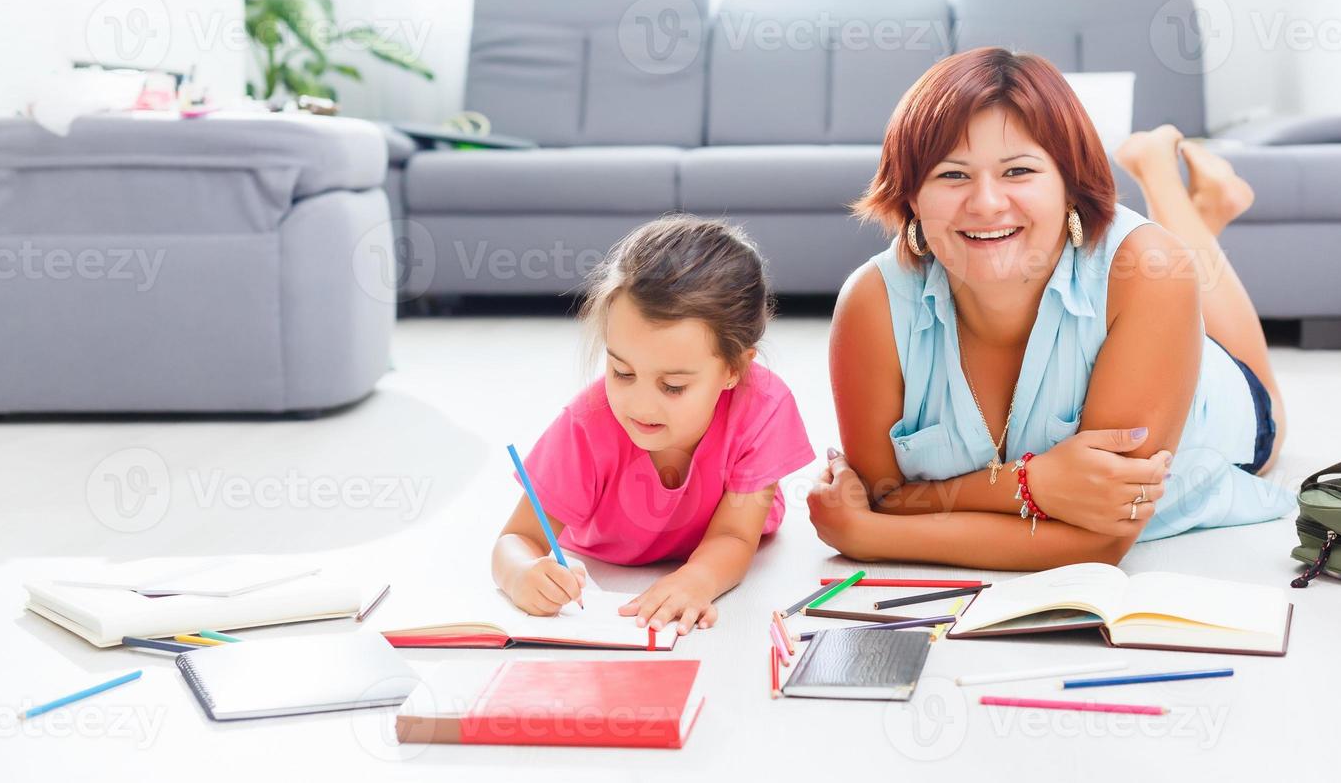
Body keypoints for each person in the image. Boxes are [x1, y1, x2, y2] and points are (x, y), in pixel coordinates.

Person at [809, 47, 1291, 570]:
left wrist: (871, 536)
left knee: (1205, 312)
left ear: (1069, 186)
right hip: (1140, 303)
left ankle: (1160, 174)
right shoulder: (871, 302)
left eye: (1018, 171)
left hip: (1211, 393)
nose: (987, 204)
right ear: (911, 197)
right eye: (952, 175)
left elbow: (1101, 539)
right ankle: (1198, 210)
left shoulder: (1153, 270)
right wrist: (1031, 483)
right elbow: (884, 497)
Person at [492, 215, 815, 634]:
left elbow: (735, 535)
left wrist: (697, 579)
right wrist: (521, 575)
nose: (639, 405)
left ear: (735, 369)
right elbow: (514, 540)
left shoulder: (763, 407)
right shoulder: (585, 426)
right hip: (608, 545)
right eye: (622, 373)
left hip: (722, 532)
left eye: (674, 386)